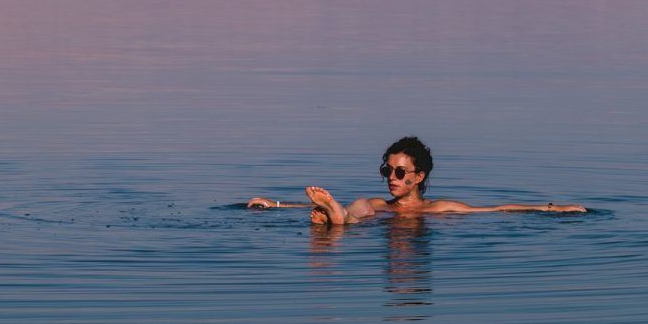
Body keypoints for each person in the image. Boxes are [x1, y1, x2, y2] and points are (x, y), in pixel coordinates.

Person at [247, 136, 586, 224]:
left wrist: (555, 208)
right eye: (387, 171)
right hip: (365, 218)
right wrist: (275, 204)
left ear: (419, 176)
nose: (391, 178)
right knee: (364, 205)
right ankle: (336, 217)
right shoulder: (381, 204)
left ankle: (334, 221)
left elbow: (498, 209)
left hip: (379, 225)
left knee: (360, 211)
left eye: (399, 172)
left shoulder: (440, 209)